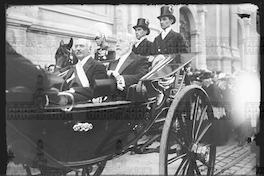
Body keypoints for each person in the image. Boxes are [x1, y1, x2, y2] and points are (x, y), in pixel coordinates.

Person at [58, 38, 108, 105]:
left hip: (81, 103)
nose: (78, 49)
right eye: (76, 46)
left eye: (81, 46)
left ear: (90, 49)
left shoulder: (98, 66)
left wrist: (74, 90)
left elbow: (95, 91)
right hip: (66, 98)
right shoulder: (73, 67)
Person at [107, 33, 150, 100]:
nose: (117, 44)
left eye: (121, 41)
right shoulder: (112, 63)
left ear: (130, 44)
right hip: (109, 100)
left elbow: (141, 77)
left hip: (127, 100)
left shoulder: (140, 60)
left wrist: (121, 79)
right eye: (117, 42)